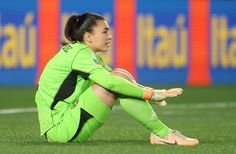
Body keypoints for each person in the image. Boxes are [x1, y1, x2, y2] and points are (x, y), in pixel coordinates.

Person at [35, 12, 199, 146]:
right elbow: (112, 83)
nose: (110, 36)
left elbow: (119, 79)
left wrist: (154, 92)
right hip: (61, 130)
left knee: (119, 73)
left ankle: (161, 134)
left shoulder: (81, 52)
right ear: (89, 37)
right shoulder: (80, 54)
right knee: (116, 79)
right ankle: (164, 135)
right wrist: (150, 95)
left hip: (64, 123)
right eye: (105, 31)